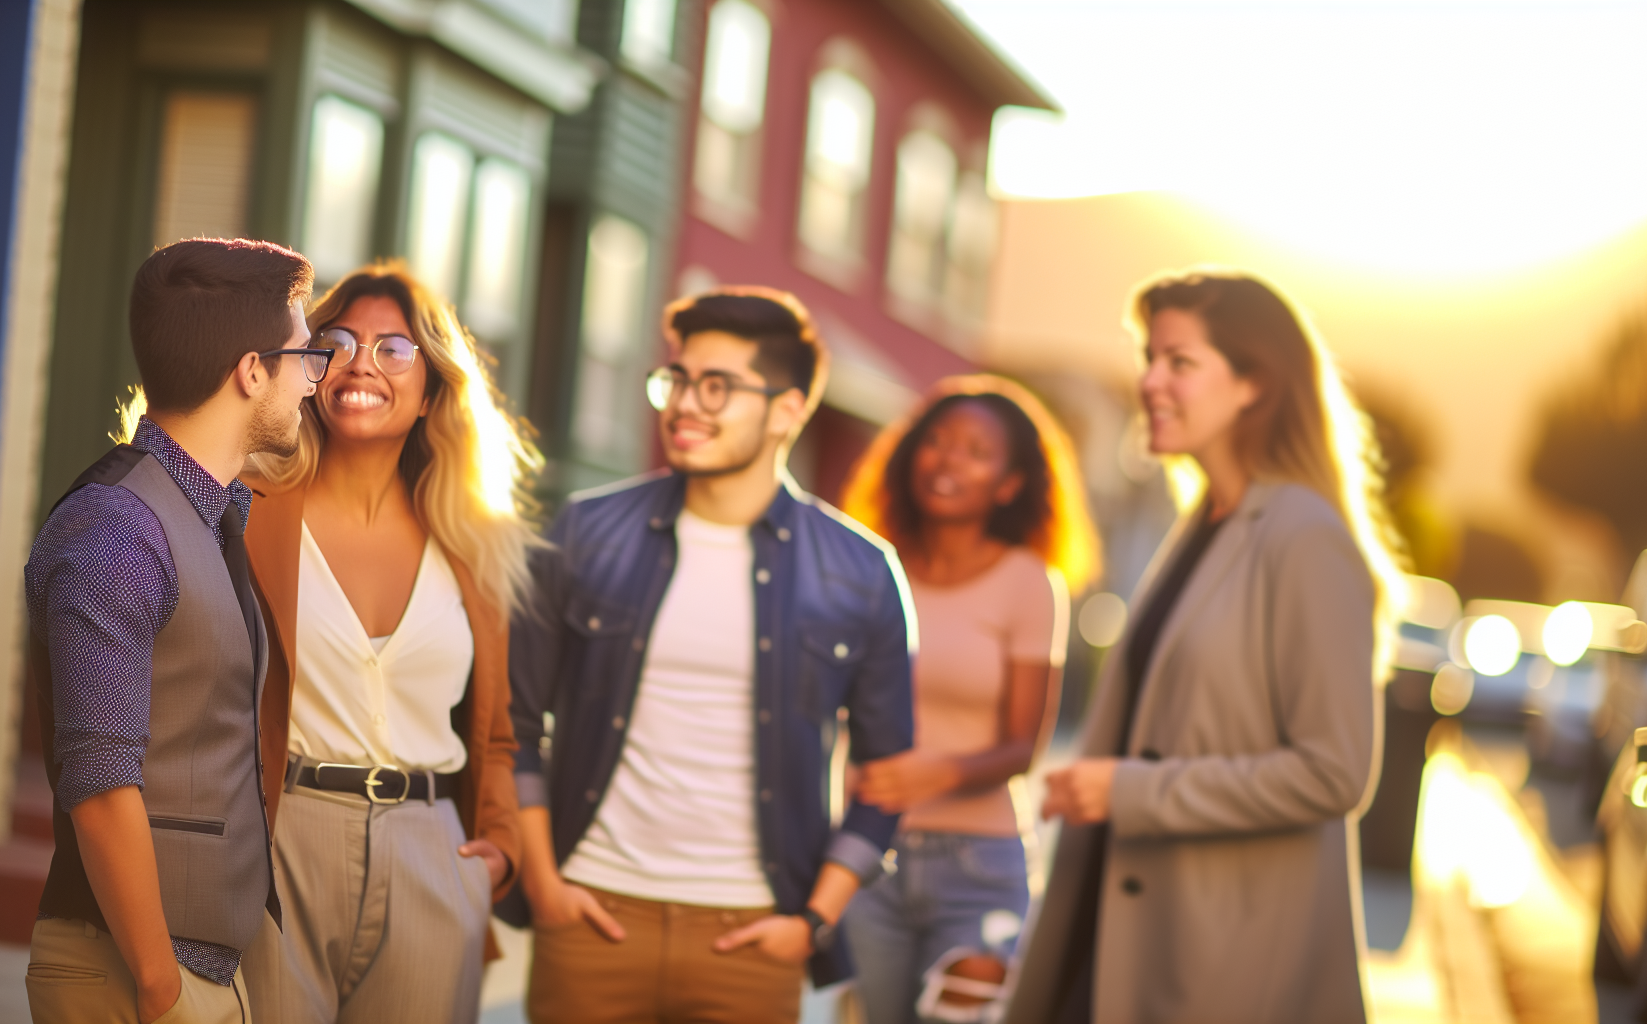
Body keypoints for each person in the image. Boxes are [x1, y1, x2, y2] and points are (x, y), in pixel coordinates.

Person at [506, 287, 917, 1024]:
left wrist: (813, 921)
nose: (685, 405)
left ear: (787, 410)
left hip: (753, 937)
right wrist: (543, 883)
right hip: (592, 914)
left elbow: (887, 778)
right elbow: (512, 723)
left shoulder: (859, 571)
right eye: (678, 380)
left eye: (718, 386)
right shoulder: (587, 532)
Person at [1004, 270, 1405, 1024]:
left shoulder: (1304, 537)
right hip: (1121, 928)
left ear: (1255, 384)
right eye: (1148, 358)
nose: (1150, 382)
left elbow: (1334, 773)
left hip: (1224, 959)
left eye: (1179, 362)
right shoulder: (1205, 523)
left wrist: (1128, 791)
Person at [24, 238, 319, 1024]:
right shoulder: (117, 530)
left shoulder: (203, 514)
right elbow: (100, 779)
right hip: (133, 975)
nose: (311, 382)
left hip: (197, 972)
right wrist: (161, 989)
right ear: (251, 371)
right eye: (304, 358)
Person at [237, 263, 534, 1024]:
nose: (361, 364)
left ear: (432, 389)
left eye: (394, 349)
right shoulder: (251, 509)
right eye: (338, 343)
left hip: (431, 849)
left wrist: (500, 847)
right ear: (311, 369)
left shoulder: (475, 545)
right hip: (281, 834)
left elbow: (497, 730)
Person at [838, 375, 1099, 1024]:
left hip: (978, 865)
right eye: (938, 442)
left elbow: (1024, 746)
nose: (949, 461)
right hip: (865, 852)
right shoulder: (867, 567)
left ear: (1009, 485)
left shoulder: (1030, 584)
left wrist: (939, 772)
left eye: (977, 452)